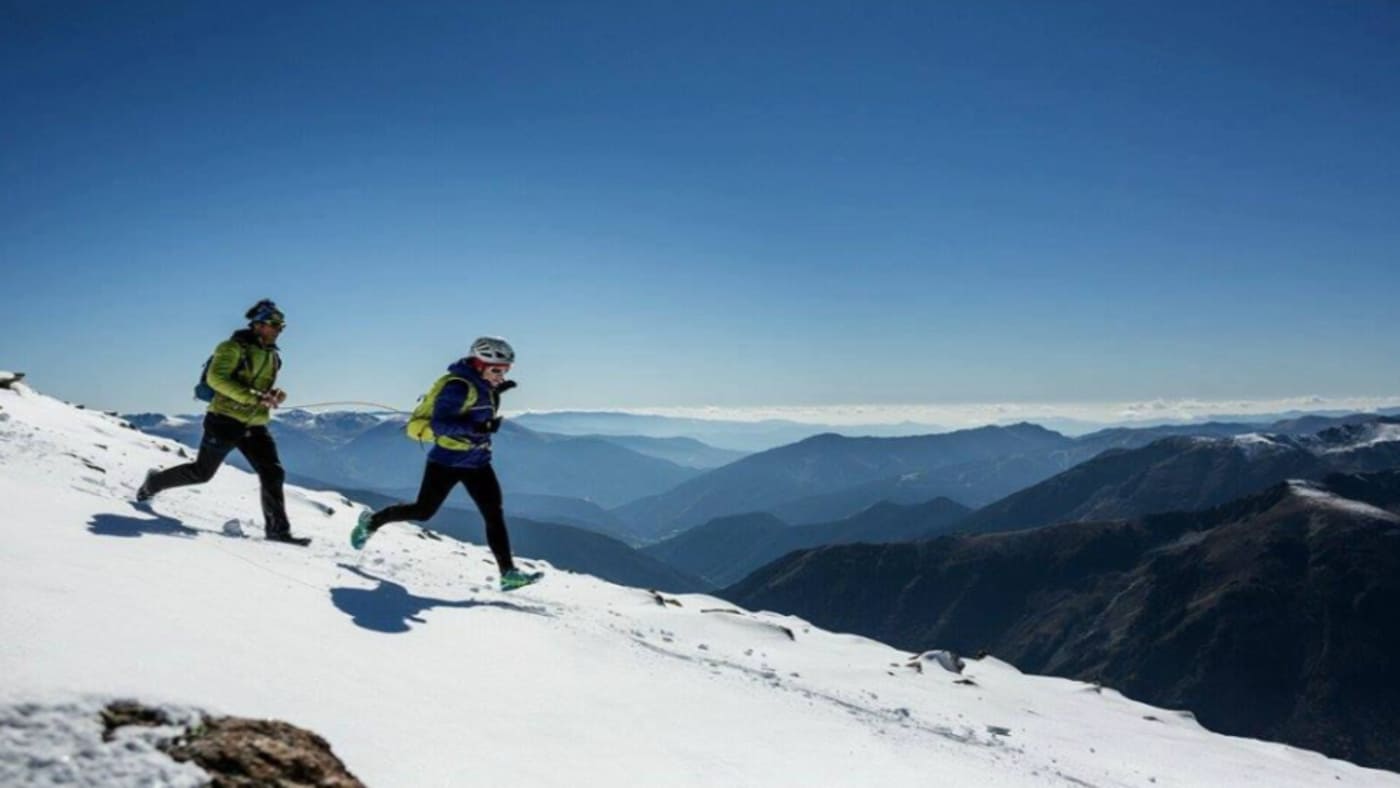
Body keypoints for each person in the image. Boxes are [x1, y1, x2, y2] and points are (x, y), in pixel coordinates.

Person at [350, 336, 542, 592]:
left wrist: (495, 391)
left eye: (506, 370)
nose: (501, 375)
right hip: (447, 462)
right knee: (423, 511)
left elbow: (474, 406)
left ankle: (508, 573)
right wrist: (480, 426)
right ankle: (372, 521)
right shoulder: (458, 386)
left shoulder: (483, 384)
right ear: (479, 364)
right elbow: (441, 424)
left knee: (493, 514)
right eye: (497, 370)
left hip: (478, 461)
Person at [136, 299, 309, 546]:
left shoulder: (273, 357)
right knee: (202, 473)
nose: (279, 329)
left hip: (254, 424)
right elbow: (216, 379)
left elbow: (261, 388)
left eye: (282, 326)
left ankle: (277, 532)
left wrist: (275, 395)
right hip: (224, 420)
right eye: (274, 324)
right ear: (258, 325)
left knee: (273, 472)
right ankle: (153, 482)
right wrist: (252, 397)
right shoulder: (231, 347)